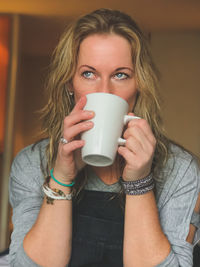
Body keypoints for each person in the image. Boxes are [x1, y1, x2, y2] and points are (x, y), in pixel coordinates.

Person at [9, 8, 200, 267]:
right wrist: (61, 177)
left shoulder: (180, 169)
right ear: (69, 83)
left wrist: (140, 181)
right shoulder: (31, 163)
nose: (105, 91)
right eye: (89, 73)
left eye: (120, 75)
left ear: (139, 85)